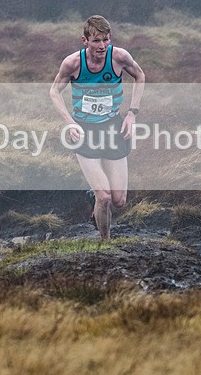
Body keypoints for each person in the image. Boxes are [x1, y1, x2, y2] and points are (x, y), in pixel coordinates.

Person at [50, 15, 145, 240]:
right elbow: (54, 91)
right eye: (96, 41)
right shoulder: (73, 63)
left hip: (113, 128)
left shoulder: (119, 57)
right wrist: (70, 123)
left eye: (105, 40)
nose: (102, 46)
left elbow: (140, 76)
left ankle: (95, 206)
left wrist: (132, 114)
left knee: (119, 200)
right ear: (85, 41)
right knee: (105, 197)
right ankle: (105, 242)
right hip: (85, 131)